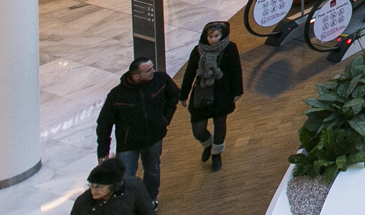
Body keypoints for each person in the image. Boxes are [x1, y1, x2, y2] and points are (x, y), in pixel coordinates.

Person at [96, 57, 179, 206]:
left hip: (153, 138)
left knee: (152, 171)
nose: (153, 71)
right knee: (126, 177)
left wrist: (164, 120)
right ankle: (127, 205)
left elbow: (174, 95)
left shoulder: (160, 80)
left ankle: (150, 199)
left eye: (152, 67)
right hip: (128, 144)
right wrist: (103, 152)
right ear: (135, 76)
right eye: (148, 70)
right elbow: (104, 123)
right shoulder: (117, 95)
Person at [178, 20, 243, 172]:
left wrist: (237, 91)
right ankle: (208, 144)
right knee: (198, 129)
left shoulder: (230, 48)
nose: (213, 40)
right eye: (210, 36)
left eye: (216, 36)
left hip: (222, 93)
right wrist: (183, 94)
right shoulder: (198, 50)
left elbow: (235, 70)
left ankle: (216, 154)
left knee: (220, 123)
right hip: (201, 92)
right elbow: (189, 73)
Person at [73, 157, 152, 215]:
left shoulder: (134, 187)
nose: (93, 190)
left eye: (98, 186)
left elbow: (147, 212)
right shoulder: (82, 202)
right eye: (92, 185)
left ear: (113, 186)